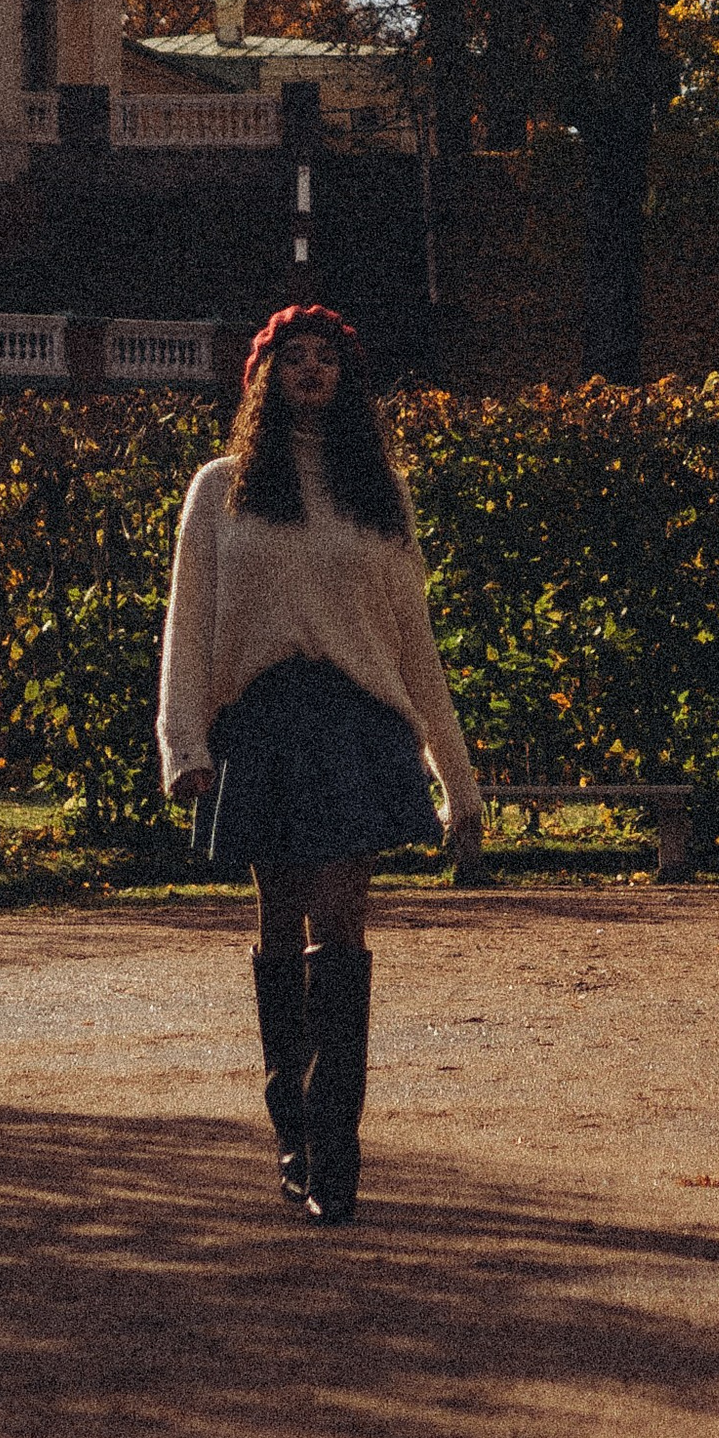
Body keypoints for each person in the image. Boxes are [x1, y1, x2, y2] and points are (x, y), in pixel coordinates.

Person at [156, 302, 482, 1225]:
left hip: (356, 725)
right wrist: (184, 745)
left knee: (341, 926)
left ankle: (337, 1153)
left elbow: (414, 642)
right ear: (263, 378)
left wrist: (455, 776)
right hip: (261, 722)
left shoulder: (378, 492)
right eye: (291, 359)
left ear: (347, 378)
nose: (310, 372)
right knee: (279, 921)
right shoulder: (221, 488)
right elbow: (188, 627)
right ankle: (292, 1129)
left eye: (325, 359)